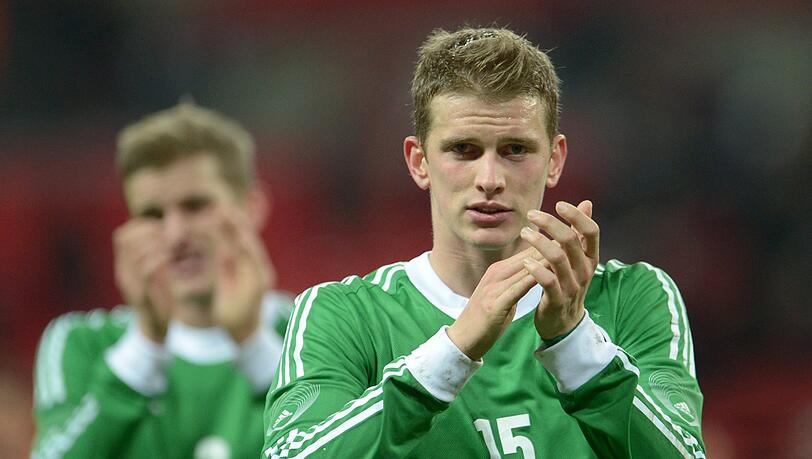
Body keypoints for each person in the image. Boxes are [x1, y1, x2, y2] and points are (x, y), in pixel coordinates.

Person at [262, 26, 705, 458]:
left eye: (515, 150)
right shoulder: (343, 316)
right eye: (463, 150)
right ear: (419, 162)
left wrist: (574, 343)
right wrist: (452, 350)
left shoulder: (632, 299)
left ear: (555, 160)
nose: (490, 179)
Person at [32, 101, 292, 459]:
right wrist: (144, 346)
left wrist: (254, 344)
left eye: (195, 206)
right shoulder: (82, 343)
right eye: (152, 215)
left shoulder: (315, 333)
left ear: (251, 208)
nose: (175, 236)